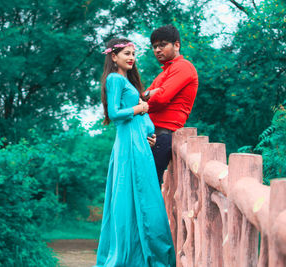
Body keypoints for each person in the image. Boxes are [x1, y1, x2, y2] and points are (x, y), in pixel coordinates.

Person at [94, 38, 176, 267]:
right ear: (114, 57)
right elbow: (114, 113)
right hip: (128, 145)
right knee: (134, 195)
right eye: (126, 53)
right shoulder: (114, 79)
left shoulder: (126, 81)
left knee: (142, 195)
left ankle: (142, 252)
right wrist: (140, 108)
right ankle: (132, 255)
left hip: (138, 143)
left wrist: (146, 133)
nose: (131, 57)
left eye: (133, 53)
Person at [143, 24, 198, 185]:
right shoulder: (164, 73)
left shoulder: (184, 67)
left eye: (162, 45)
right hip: (152, 136)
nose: (157, 50)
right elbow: (143, 98)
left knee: (149, 188)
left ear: (176, 45)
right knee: (144, 187)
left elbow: (161, 98)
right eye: (154, 47)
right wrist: (149, 94)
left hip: (163, 136)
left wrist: (149, 96)